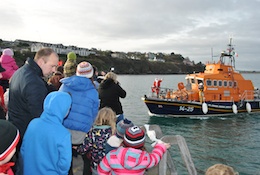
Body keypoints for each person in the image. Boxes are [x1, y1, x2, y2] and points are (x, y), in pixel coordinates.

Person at [8, 47, 59, 144]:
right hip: (27, 134)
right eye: (52, 66)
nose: (54, 70)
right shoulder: (34, 82)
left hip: (15, 128)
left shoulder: (20, 72)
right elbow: (39, 115)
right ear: (41, 62)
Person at [59, 61, 99, 175]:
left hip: (64, 129)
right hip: (83, 133)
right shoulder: (93, 91)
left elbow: (58, 105)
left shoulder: (65, 85)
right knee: (87, 160)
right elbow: (94, 114)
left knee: (67, 160)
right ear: (91, 74)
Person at [21, 91, 72, 175]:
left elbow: (23, 149)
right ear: (63, 109)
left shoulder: (33, 123)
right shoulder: (64, 134)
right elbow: (65, 163)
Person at [97, 125, 170, 175]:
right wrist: (161, 147)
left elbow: (101, 172)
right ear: (142, 143)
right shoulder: (145, 158)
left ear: (124, 140)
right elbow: (155, 158)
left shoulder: (112, 156)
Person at [76, 107, 116, 175]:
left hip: (97, 166)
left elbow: (84, 149)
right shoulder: (114, 133)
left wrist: (77, 149)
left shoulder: (92, 132)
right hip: (112, 166)